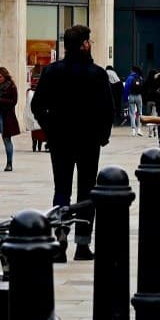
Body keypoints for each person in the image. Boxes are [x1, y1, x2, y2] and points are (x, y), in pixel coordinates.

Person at [31, 23, 119, 256]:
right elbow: (108, 110)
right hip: (88, 139)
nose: (90, 45)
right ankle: (82, 243)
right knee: (87, 190)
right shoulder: (97, 74)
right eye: (88, 41)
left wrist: (50, 129)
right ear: (83, 45)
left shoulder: (52, 71)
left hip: (60, 139)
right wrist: (103, 135)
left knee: (61, 188)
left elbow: (37, 106)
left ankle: (60, 235)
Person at [0, 62, 21, 173]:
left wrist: (0, 101)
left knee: (7, 140)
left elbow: (14, 101)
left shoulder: (11, 87)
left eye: (0, 77)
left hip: (6, 117)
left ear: (5, 76)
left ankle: (9, 162)